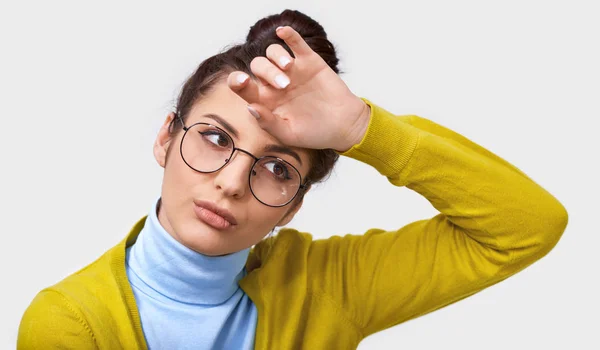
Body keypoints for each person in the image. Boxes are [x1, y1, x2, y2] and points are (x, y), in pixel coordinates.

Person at [17, 9, 568, 350]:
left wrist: (362, 129)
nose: (232, 182)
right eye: (213, 137)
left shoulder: (327, 286)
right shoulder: (69, 324)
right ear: (166, 137)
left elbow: (526, 226)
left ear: (294, 207)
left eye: (278, 169)